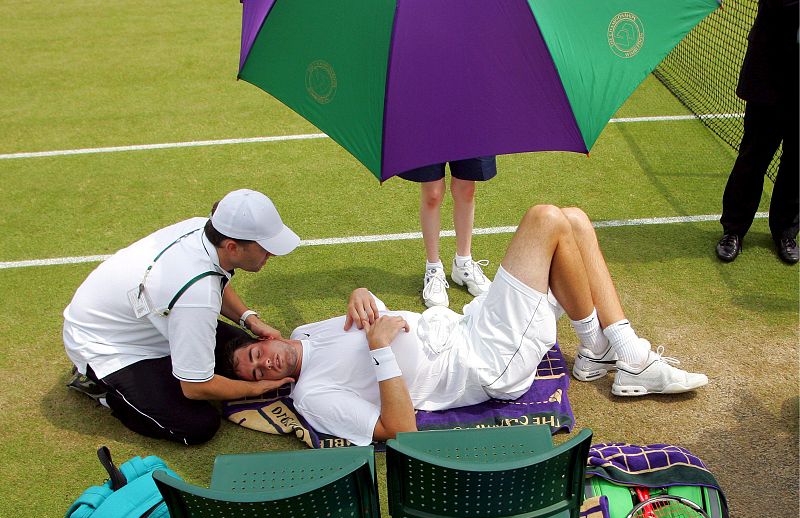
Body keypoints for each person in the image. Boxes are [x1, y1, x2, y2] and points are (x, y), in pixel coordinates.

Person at [225, 204, 708, 446]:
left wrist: (360, 294)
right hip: (483, 363)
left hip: (464, 323)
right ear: (275, 382)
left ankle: (605, 352)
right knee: (546, 221)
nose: (262, 364)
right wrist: (378, 349)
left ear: (264, 338)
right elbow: (399, 430)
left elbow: (379, 315)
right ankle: (624, 354)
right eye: (257, 375)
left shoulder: (309, 331)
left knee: (575, 221)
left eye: (253, 355)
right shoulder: (311, 395)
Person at [63, 189, 299, 444]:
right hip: (106, 346)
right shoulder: (197, 298)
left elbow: (218, 278)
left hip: (141, 320)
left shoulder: (205, 230)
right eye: (265, 248)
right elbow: (196, 387)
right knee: (197, 425)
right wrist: (255, 389)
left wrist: (249, 319)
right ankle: (105, 390)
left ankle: (169, 366)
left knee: (242, 352)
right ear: (233, 247)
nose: (271, 254)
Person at [715, 0, 798, 264]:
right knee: (753, 157)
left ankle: (786, 232)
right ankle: (734, 231)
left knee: (796, 161)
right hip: (769, 72)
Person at [399, 157, 497, 308]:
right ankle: (433, 269)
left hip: (468, 132)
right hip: (427, 132)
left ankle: (463, 264)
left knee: (467, 189)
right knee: (433, 194)